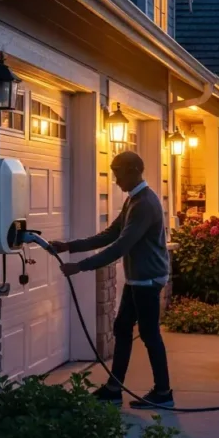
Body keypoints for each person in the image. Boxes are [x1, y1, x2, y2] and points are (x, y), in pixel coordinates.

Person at [52, 150, 174, 409]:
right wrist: (69, 246)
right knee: (122, 328)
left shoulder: (144, 205)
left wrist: (81, 266)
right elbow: (110, 234)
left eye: (117, 173)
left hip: (148, 280)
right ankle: (113, 388)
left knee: (150, 335)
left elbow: (120, 246)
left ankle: (163, 393)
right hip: (138, 279)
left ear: (132, 171)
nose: (115, 180)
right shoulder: (134, 200)